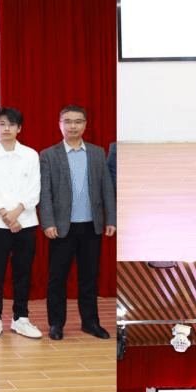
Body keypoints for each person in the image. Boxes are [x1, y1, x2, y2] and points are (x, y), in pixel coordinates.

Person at [39, 105, 115, 340]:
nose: (73, 126)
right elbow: (45, 193)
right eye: (68, 121)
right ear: (60, 124)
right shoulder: (48, 155)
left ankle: (90, 323)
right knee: (57, 279)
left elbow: (106, 188)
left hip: (92, 225)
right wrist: (48, 223)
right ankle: (56, 324)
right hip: (62, 227)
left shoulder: (97, 153)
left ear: (85, 124)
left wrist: (111, 219)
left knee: (89, 278)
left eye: (78, 121)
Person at [0, 106, 42, 340]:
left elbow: (34, 189)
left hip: (26, 221)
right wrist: (6, 215)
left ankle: (20, 318)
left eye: (11, 124)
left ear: (19, 128)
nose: (6, 128)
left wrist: (16, 213)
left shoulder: (31, 155)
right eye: (1, 124)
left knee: (23, 272)